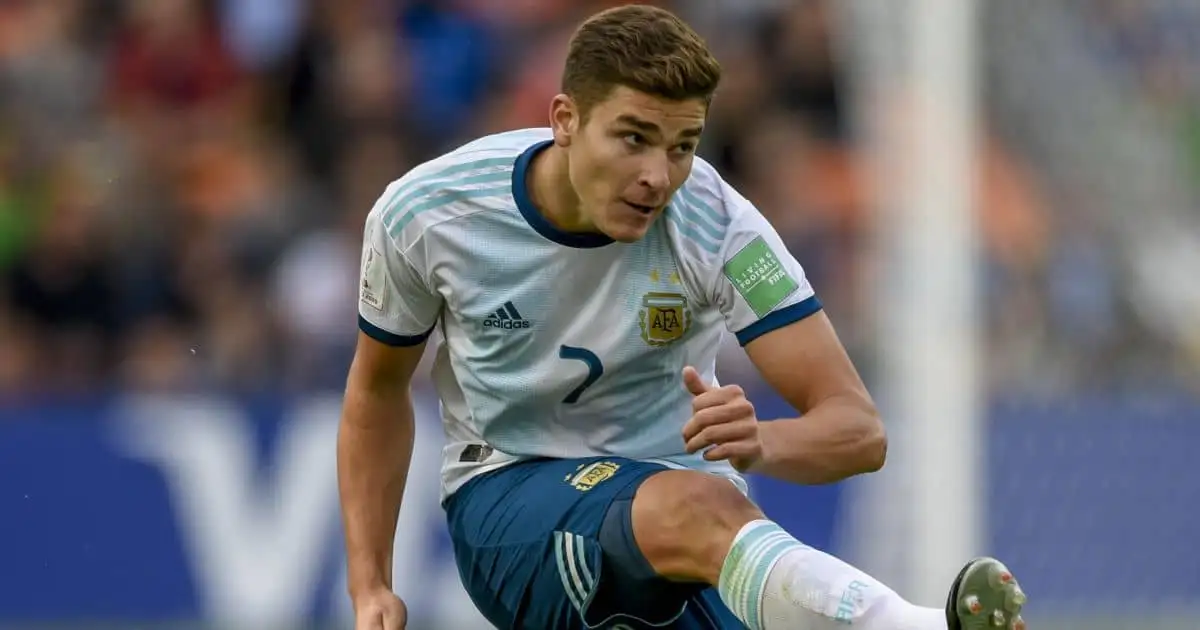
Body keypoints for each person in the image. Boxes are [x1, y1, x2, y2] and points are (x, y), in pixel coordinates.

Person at [337, 5, 1027, 630]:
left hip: (692, 530)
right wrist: (371, 585)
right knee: (700, 506)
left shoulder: (719, 225)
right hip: (510, 497)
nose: (658, 177)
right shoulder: (429, 213)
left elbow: (859, 431)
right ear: (564, 120)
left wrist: (763, 443)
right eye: (633, 138)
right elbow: (376, 391)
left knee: (717, 521)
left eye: (682, 145)